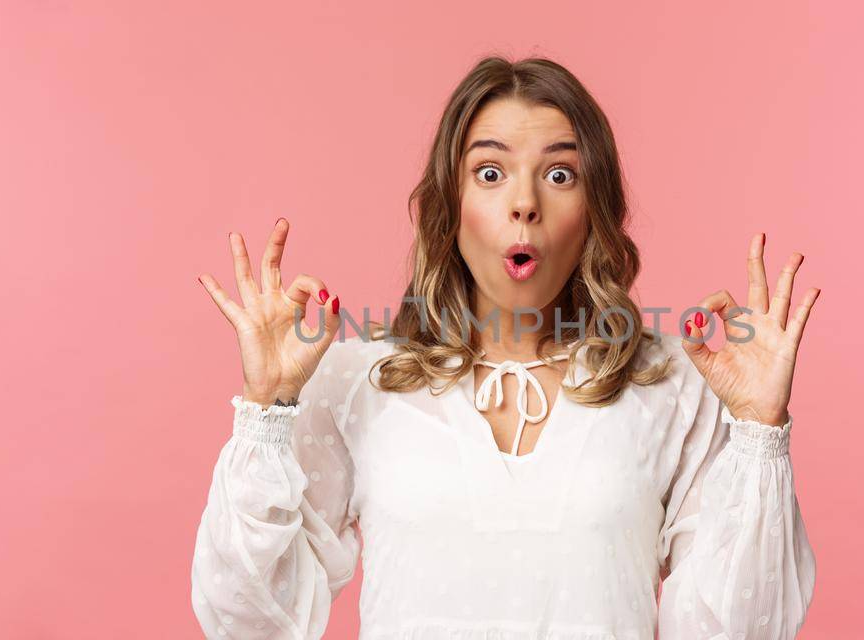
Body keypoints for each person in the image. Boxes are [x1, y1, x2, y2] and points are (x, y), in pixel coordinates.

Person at [190, 55, 821, 639]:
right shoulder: (362, 379)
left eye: (559, 174)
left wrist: (758, 428)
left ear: (594, 208)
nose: (525, 203)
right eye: (490, 173)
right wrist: (267, 407)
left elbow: (737, 632)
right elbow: (249, 621)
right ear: (451, 204)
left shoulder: (673, 384)